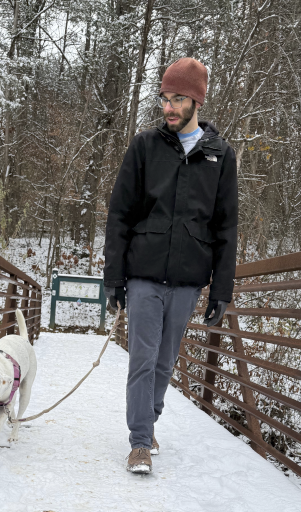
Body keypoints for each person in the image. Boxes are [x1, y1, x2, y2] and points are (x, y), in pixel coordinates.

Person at [103, 57, 238, 474]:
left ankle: (150, 419)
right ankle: (140, 441)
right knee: (142, 357)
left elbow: (226, 226)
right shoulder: (145, 147)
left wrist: (221, 290)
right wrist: (114, 277)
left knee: (165, 360)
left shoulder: (221, 156)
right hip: (144, 272)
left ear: (197, 100)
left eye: (178, 99)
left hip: (187, 278)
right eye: (165, 98)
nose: (169, 107)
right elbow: (120, 214)